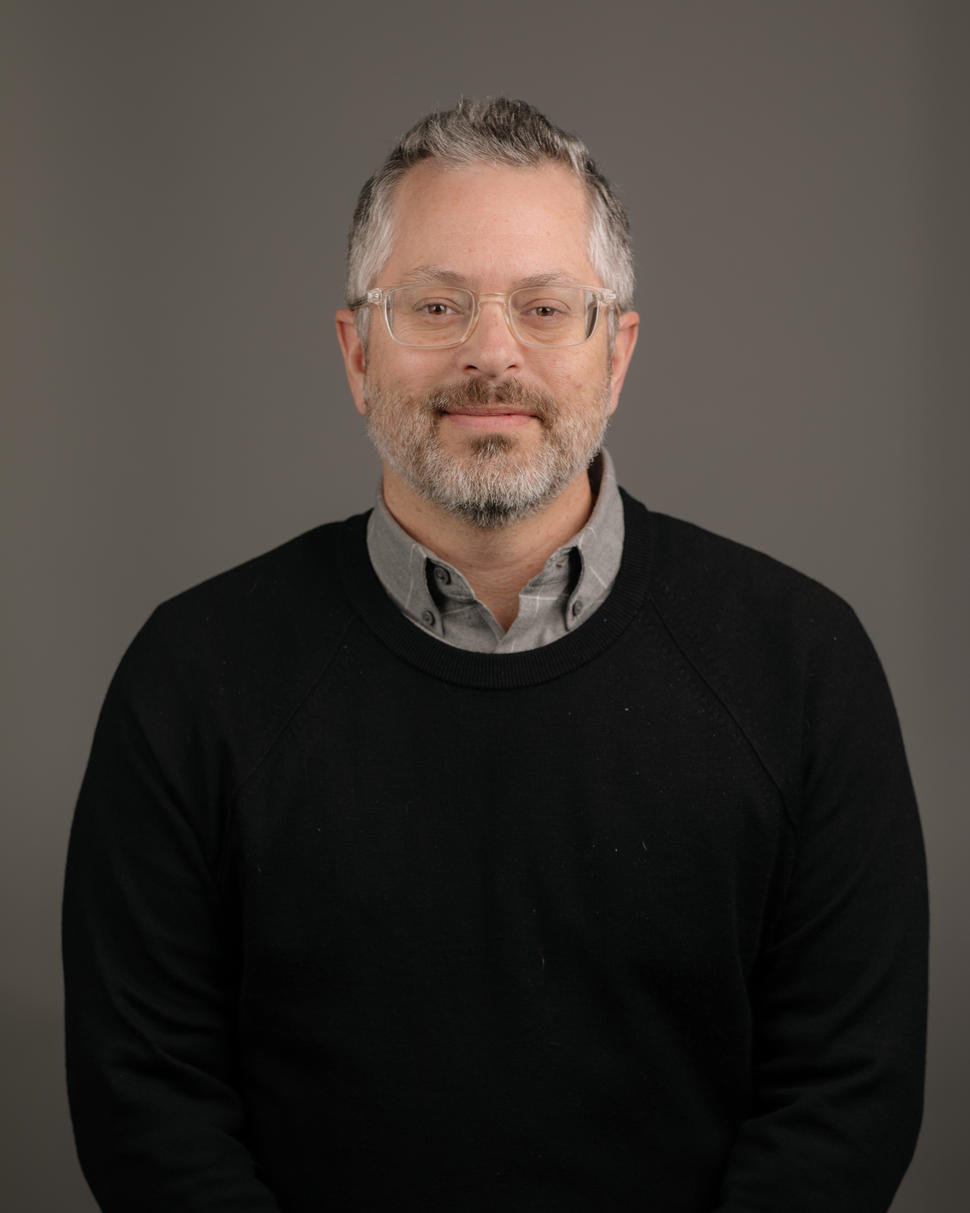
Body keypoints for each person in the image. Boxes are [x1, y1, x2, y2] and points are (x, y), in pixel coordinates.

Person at [63, 98, 927, 1213]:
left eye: (543, 305)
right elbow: (147, 1103)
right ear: (355, 351)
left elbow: (845, 1101)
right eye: (434, 304)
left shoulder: (804, 665)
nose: (489, 352)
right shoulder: (192, 677)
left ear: (614, 351)